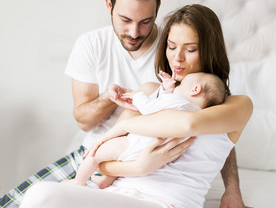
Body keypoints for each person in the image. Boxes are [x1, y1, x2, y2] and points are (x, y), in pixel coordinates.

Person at [0, 0, 271, 208]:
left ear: (209, 50)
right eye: (171, 46)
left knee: (40, 199)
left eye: (190, 49)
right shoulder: (151, 91)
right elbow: (107, 162)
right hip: (119, 193)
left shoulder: (237, 105)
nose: (177, 58)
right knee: (38, 200)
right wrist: (140, 167)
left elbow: (189, 125)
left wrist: (126, 124)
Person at [65, 71, 227, 188]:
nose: (178, 86)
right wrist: (166, 89)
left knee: (96, 153)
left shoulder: (178, 101)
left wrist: (137, 95)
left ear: (195, 90)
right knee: (110, 159)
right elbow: (163, 107)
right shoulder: (195, 113)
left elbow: (149, 107)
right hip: (151, 153)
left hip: (134, 144)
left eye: (182, 84)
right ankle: (106, 180)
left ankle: (78, 181)